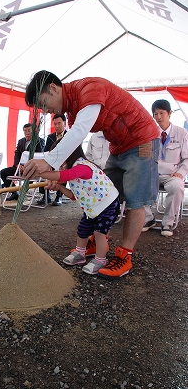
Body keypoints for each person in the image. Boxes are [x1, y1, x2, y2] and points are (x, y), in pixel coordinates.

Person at [23, 70, 160, 279]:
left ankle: (124, 255)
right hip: (118, 146)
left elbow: (78, 133)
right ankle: (97, 243)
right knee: (104, 196)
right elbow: (72, 143)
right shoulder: (71, 109)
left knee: (135, 200)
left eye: (43, 104)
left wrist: (49, 161)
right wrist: (51, 168)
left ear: (53, 88)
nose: (45, 111)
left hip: (141, 140)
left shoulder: (90, 88)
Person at [38, 141, 120, 274]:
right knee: (83, 229)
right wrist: (59, 187)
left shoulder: (82, 167)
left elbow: (64, 176)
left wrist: (40, 174)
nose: (57, 163)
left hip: (107, 204)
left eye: (58, 157)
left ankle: (100, 260)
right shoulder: (74, 171)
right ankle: (80, 254)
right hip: (92, 206)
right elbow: (74, 196)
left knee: (100, 233)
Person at [142, 99, 188, 237]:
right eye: (155, 114)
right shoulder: (149, 133)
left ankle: (167, 223)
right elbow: (143, 156)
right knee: (138, 185)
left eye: (162, 113)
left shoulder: (182, 133)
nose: (159, 117)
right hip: (152, 173)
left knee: (177, 187)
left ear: (170, 113)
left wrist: (181, 172)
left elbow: (187, 158)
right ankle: (148, 219)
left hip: (173, 174)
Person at [0, 123, 44, 201]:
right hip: (20, 168)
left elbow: (39, 156)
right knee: (3, 172)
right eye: (25, 131)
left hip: (32, 168)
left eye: (29, 131)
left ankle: (23, 193)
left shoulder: (39, 141)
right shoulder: (21, 141)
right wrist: (17, 165)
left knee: (29, 174)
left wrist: (27, 166)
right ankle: (14, 192)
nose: (27, 133)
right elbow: (17, 154)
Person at [38, 113, 67, 205]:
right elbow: (46, 152)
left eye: (59, 123)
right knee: (43, 169)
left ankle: (59, 196)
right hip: (53, 162)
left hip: (66, 163)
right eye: (55, 124)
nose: (57, 126)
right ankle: (46, 195)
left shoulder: (70, 136)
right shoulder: (50, 137)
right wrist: (47, 164)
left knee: (63, 171)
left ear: (64, 123)